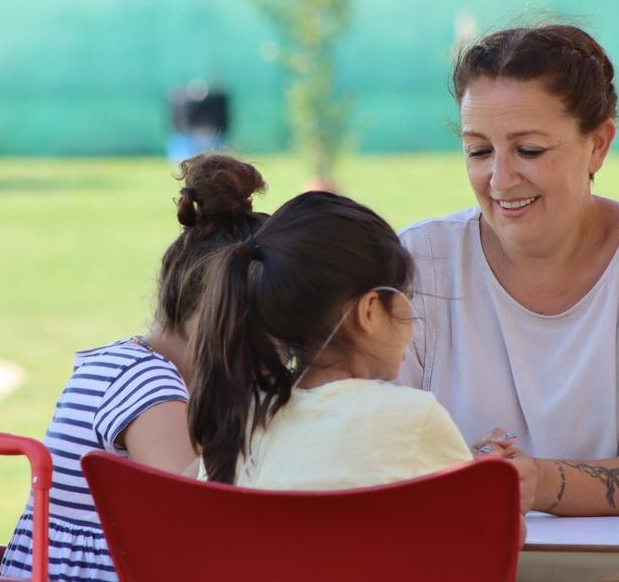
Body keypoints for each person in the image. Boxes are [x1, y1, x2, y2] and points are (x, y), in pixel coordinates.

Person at [399, 24, 619, 520]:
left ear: (598, 144)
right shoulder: (423, 257)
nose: (500, 179)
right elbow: (370, 447)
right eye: (479, 151)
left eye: (529, 150)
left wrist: (538, 481)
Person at [0, 154, 267, 581]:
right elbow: (195, 518)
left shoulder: (126, 362)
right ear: (213, 310)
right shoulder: (148, 384)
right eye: (258, 331)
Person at [189, 191, 474, 492]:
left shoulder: (237, 419)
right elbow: (486, 531)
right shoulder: (414, 418)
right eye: (408, 298)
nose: (414, 322)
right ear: (370, 311)